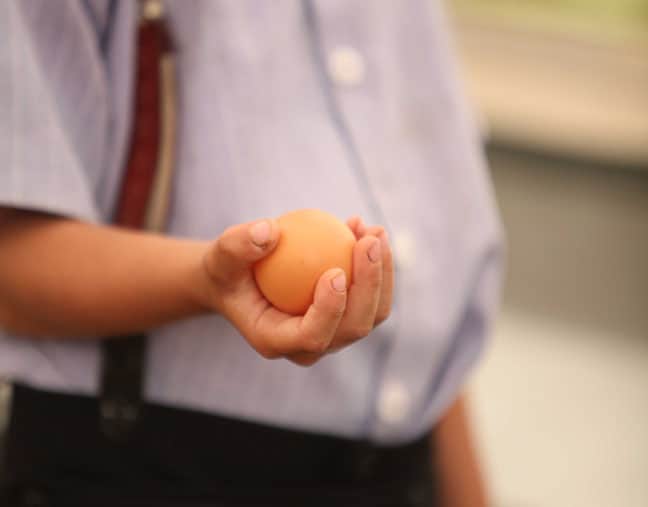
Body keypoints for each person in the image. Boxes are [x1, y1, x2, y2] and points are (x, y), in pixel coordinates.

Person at [0, 1, 503, 506]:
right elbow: (12, 261)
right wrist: (205, 279)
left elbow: (417, 328)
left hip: (403, 470)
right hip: (143, 466)